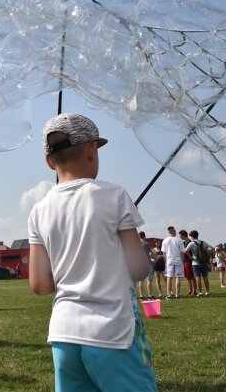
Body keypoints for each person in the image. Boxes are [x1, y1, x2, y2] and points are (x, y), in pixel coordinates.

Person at [28, 113, 157, 392]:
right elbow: (138, 269)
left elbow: (40, 285)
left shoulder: (39, 211)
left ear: (49, 162)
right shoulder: (115, 195)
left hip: (64, 334)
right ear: (91, 149)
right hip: (113, 332)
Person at [161, 226, 185, 299]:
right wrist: (182, 260)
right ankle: (177, 294)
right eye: (174, 231)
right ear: (173, 231)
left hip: (169, 261)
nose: (175, 232)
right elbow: (181, 252)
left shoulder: (165, 240)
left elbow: (164, 253)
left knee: (169, 277)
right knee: (178, 277)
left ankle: (169, 294)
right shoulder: (179, 240)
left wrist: (166, 261)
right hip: (178, 260)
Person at [185, 230, 211, 296]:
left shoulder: (191, 243)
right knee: (205, 277)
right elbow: (211, 248)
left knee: (197, 277)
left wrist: (190, 257)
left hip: (195, 263)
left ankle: (200, 292)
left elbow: (185, 251)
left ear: (191, 236)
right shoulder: (203, 242)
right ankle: (207, 291)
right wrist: (207, 255)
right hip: (204, 262)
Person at [135, 232, 154, 300]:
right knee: (149, 280)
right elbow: (153, 252)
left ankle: (141, 296)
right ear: (144, 236)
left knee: (141, 281)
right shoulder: (147, 243)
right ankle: (149, 295)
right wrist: (153, 259)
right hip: (148, 263)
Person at [179, 230, 195, 297]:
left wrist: (190, 257)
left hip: (189, 261)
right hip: (185, 261)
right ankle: (190, 291)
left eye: (180, 235)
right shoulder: (184, 242)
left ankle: (194, 291)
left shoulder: (189, 242)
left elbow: (186, 251)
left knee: (191, 276)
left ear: (183, 235)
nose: (179, 236)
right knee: (187, 277)